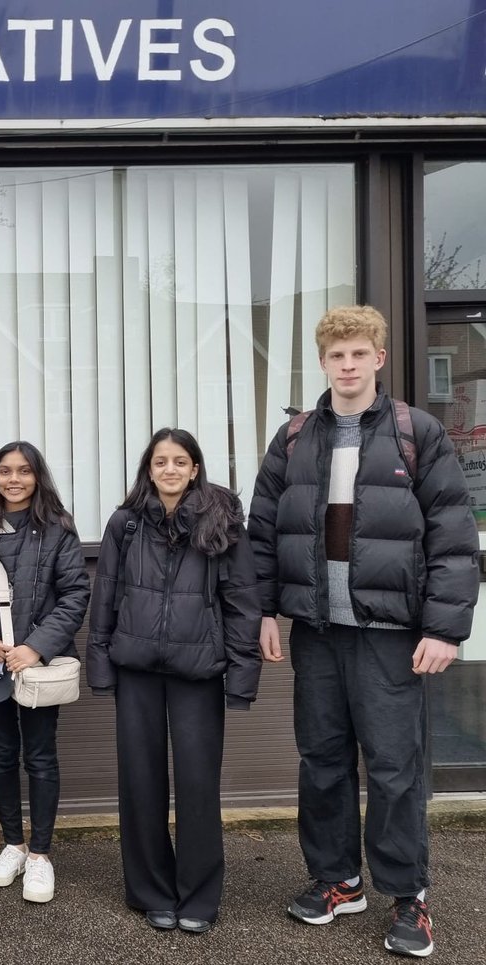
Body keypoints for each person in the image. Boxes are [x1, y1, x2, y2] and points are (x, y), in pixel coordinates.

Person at [248, 305, 478, 959]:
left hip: (391, 635)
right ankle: (338, 880)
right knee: (320, 763)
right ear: (323, 362)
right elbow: (262, 533)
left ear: (379, 358)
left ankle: (409, 897)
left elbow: (454, 538)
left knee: (394, 768)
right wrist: (265, 609)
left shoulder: (417, 434)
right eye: (335, 355)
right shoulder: (294, 438)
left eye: (358, 353)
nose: (347, 365)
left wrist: (444, 626)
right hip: (318, 634)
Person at [86, 428, 261, 933]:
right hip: (136, 669)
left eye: (179, 461)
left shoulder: (221, 522)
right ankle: (150, 892)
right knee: (139, 783)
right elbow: (106, 596)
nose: (169, 470)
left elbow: (242, 600)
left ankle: (200, 898)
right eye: (160, 461)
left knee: (198, 785)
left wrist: (241, 678)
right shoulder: (126, 524)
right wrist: (100, 666)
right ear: (149, 469)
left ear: (195, 468)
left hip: (198, 671)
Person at [0, 441, 89, 904]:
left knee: (41, 755)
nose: (14, 479)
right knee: (1, 754)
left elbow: (74, 596)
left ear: (37, 477)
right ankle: (13, 844)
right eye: (5, 471)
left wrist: (35, 647)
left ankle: (41, 855)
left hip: (37, 665)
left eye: (24, 471)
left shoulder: (59, 532)